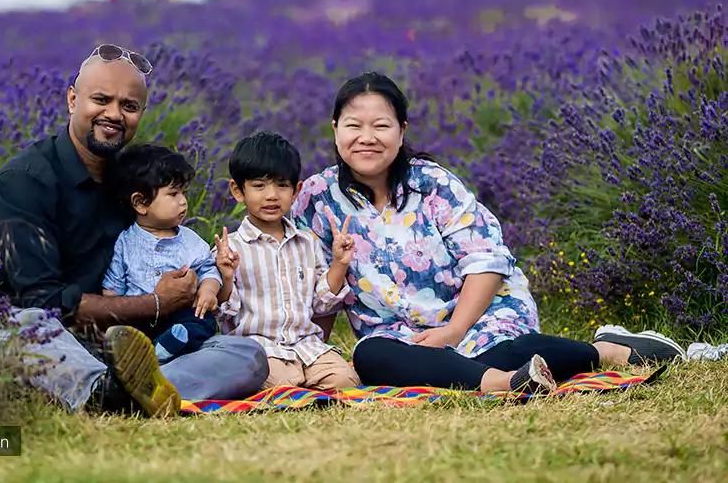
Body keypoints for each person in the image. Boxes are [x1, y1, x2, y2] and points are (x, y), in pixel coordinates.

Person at [290, 71, 687, 393]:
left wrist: (454, 330)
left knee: (496, 354)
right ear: (335, 129)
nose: (367, 137)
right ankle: (505, 382)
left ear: (402, 130)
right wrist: (313, 351)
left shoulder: (432, 184)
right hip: (396, 336)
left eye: (381, 125)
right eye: (354, 125)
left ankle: (604, 352)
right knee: (371, 358)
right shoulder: (316, 198)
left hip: (476, 315)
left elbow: (485, 258)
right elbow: (311, 283)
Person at [0, 43, 268, 418]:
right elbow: (43, 302)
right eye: (101, 99)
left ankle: (122, 391)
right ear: (72, 99)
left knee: (247, 355)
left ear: (140, 113)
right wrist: (157, 303)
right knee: (16, 325)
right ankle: (116, 390)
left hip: (132, 343)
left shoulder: (133, 179)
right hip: (54, 338)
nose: (114, 114)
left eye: (129, 106)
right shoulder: (24, 182)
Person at [212, 131, 362, 392]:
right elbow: (223, 311)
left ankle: (306, 379)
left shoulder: (307, 243)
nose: (272, 195)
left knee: (346, 381)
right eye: (259, 186)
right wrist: (225, 276)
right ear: (238, 191)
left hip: (307, 345)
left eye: (282, 185)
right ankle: (297, 383)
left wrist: (339, 263)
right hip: (259, 348)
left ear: (296, 191)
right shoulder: (232, 248)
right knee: (278, 382)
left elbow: (322, 302)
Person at [102, 143, 225, 364]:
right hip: (141, 315)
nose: (183, 201)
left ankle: (162, 351)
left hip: (180, 315)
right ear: (140, 203)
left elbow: (209, 269)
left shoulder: (189, 240)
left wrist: (208, 291)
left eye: (183, 193)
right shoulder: (125, 242)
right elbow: (113, 287)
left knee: (201, 320)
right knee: (124, 332)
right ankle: (147, 353)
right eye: (173, 194)